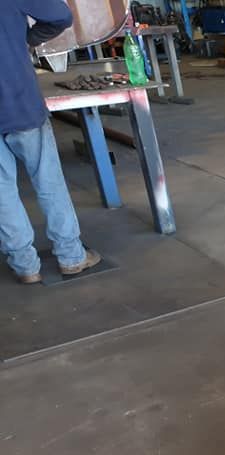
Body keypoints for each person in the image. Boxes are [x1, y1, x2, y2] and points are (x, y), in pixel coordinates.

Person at [0, 0, 101, 285]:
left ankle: (24, 266)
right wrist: (26, 39)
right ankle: (71, 256)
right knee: (48, 180)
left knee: (1, 193)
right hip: (20, 100)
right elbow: (60, 16)